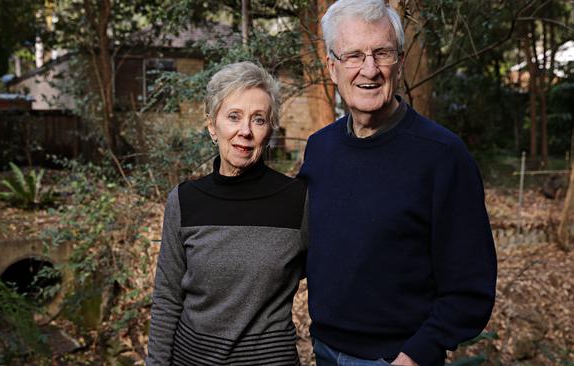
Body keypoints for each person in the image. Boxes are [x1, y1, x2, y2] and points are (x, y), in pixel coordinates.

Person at [298, 1, 497, 365]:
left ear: (400, 62)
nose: (369, 69)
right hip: (323, 351)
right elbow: (300, 248)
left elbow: (471, 287)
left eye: (382, 53)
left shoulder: (443, 156)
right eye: (354, 55)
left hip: (398, 359)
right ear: (332, 67)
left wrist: (418, 353)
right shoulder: (319, 149)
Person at [146, 61, 307, 366]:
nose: (244, 131)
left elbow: (337, 281)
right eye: (234, 117)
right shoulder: (184, 201)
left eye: (258, 119)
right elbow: (167, 300)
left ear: (270, 129)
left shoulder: (298, 201)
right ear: (212, 126)